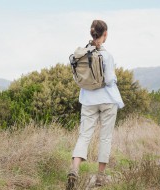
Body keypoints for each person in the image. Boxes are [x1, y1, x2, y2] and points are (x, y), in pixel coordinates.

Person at [66, 20, 124, 189]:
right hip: (107, 100)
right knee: (105, 137)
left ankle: (75, 169)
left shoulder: (82, 53)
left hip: (88, 99)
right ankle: (100, 177)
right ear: (104, 34)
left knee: (84, 135)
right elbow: (110, 79)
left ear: (92, 34)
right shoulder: (107, 55)